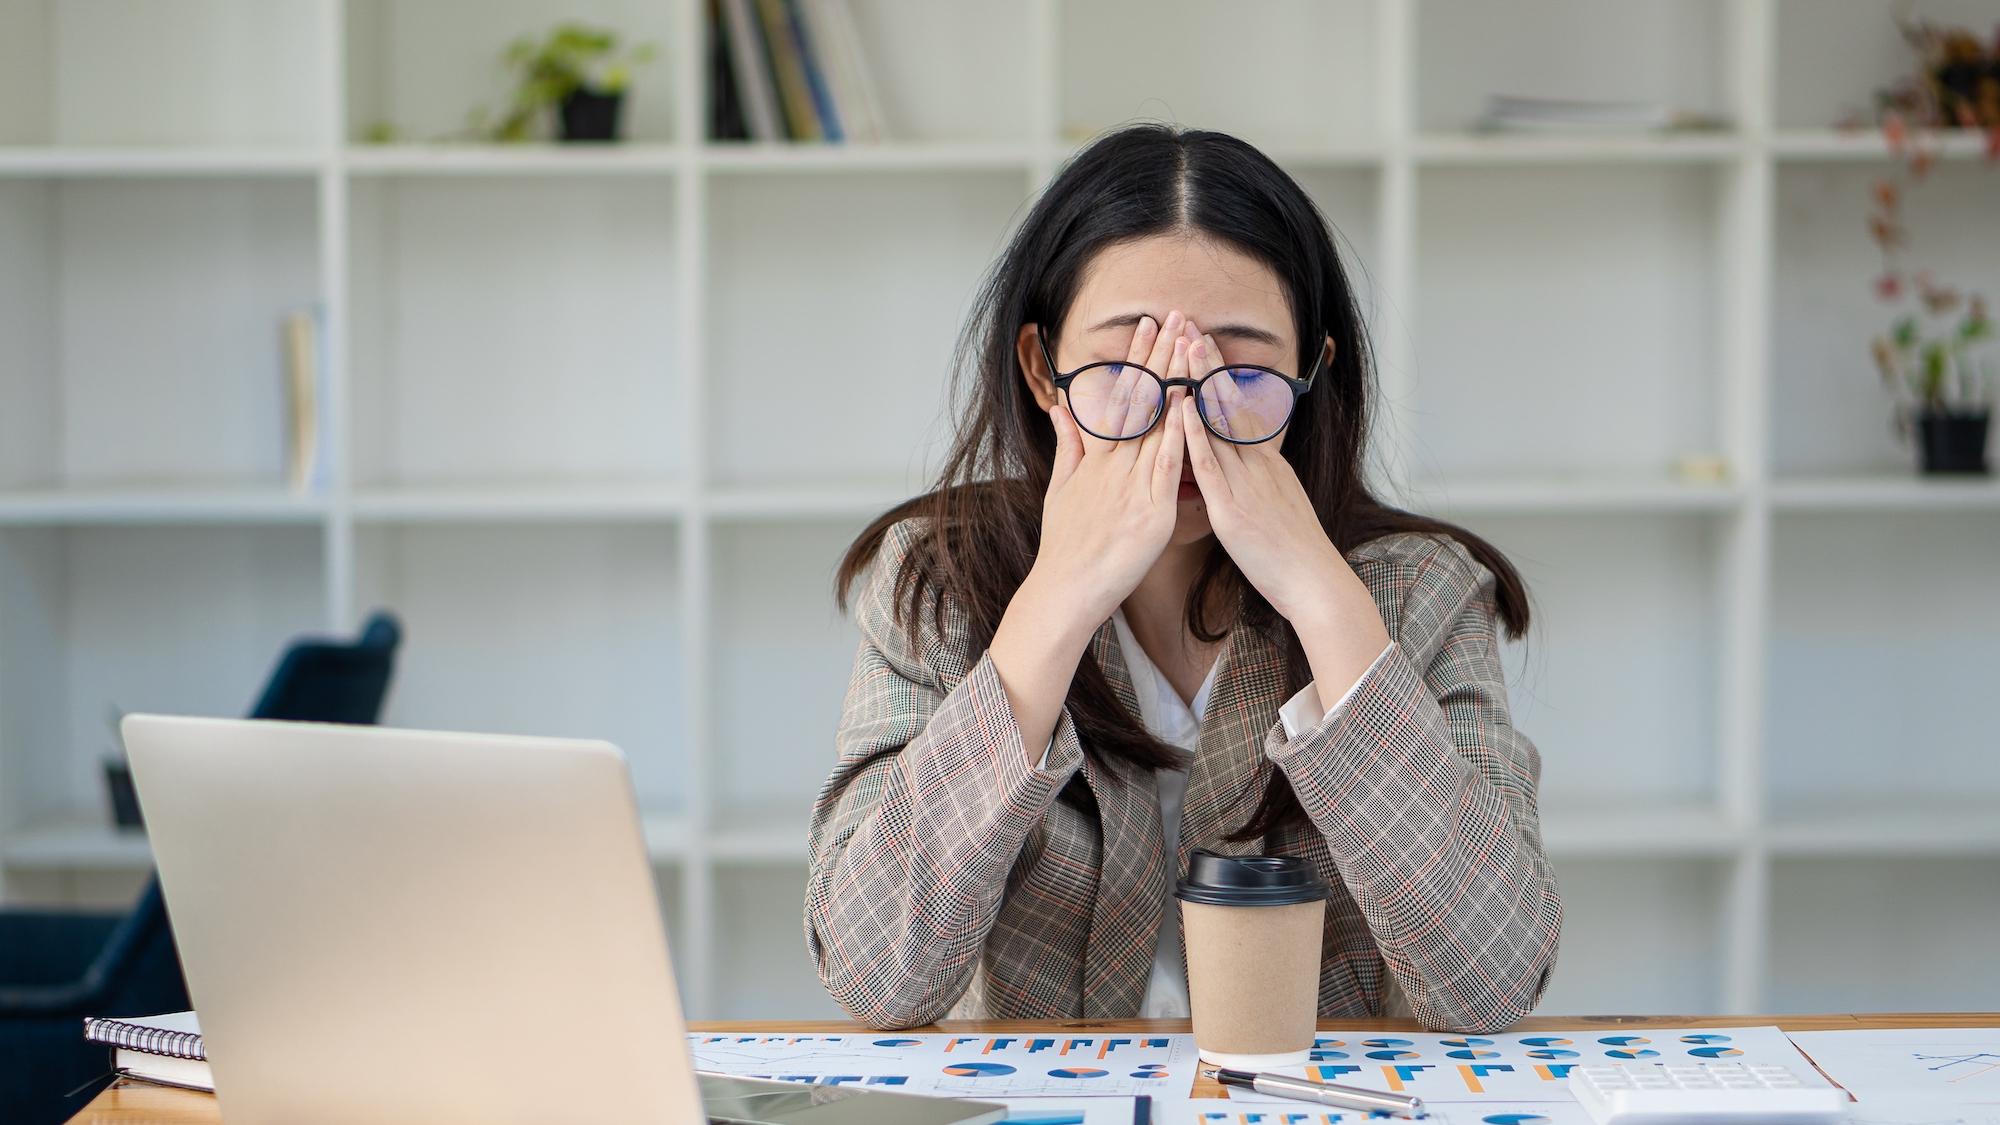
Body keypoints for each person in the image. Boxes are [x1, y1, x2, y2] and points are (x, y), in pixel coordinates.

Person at [803, 123, 1561, 1035]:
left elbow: (1492, 983)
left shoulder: (1423, 591)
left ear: (1312, 372)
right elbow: (872, 974)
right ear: (1044, 369)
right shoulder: (938, 582)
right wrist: (1056, 600)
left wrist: (1322, 598)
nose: (1182, 416)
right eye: (1128, 364)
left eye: (1237, 368)